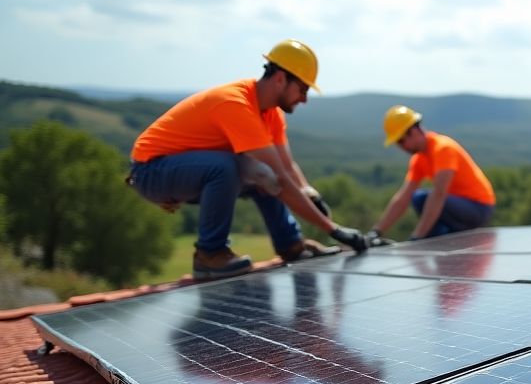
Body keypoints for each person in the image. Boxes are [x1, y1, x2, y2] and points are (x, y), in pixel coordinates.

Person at [128, 40, 366, 280]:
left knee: (261, 175)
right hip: (151, 172)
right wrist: (332, 229)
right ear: (281, 78)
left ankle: (291, 245)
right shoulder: (236, 103)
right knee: (230, 167)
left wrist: (309, 192)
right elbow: (282, 181)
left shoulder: (272, 113)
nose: (304, 99)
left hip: (186, 169)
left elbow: (284, 167)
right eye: (303, 89)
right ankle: (209, 255)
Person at [367, 105, 496, 243]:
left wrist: (416, 237)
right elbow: (403, 198)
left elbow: (439, 195)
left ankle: (433, 240)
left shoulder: (443, 149)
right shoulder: (418, 160)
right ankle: (439, 241)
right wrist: (376, 231)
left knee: (424, 198)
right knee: (417, 198)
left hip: (479, 208)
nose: (401, 147)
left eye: (401, 140)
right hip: (456, 208)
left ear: (414, 131)